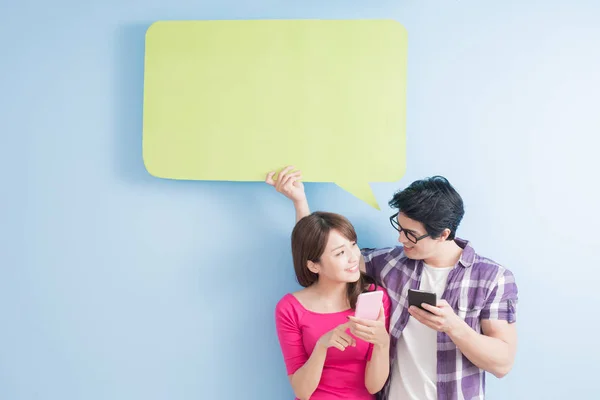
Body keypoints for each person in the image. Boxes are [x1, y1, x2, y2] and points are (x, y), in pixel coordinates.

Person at [267, 167, 519, 400]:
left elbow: (502, 363)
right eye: (399, 227)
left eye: (410, 234)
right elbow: (322, 251)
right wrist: (300, 202)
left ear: (443, 234)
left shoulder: (491, 278)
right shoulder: (392, 263)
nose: (400, 239)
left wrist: (454, 327)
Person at [275, 211, 392, 399]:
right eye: (340, 253)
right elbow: (302, 392)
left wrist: (383, 343)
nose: (354, 257)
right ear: (314, 266)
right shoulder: (290, 308)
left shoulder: (373, 298)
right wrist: (321, 347)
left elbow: (373, 387)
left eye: (353, 245)